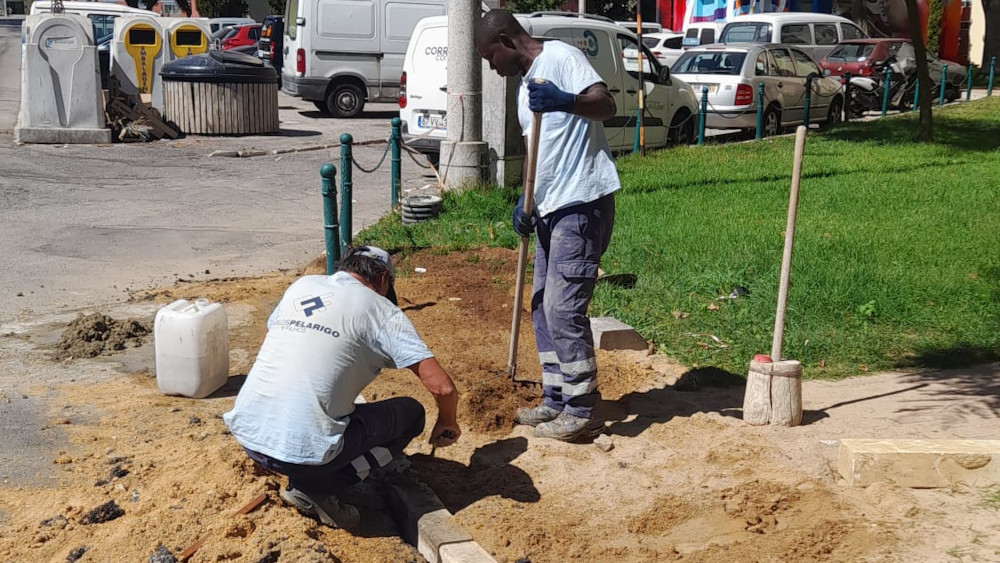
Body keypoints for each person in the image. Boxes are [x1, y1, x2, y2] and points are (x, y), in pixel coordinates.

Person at [223, 245, 461, 530]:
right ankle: (318, 488)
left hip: (250, 436)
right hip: (299, 457)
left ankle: (309, 470)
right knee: (410, 414)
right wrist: (448, 422)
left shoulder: (303, 285)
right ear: (384, 278)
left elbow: (267, 342)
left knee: (339, 408)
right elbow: (442, 388)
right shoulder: (381, 310)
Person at [475, 10, 620, 442]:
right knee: (541, 306)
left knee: (562, 307)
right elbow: (533, 154)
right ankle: (557, 397)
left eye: (489, 56)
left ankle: (583, 409)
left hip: (582, 201)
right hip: (549, 207)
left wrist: (565, 100)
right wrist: (526, 202)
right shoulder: (524, 91)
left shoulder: (560, 57)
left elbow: (606, 104)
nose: (490, 66)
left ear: (505, 39)